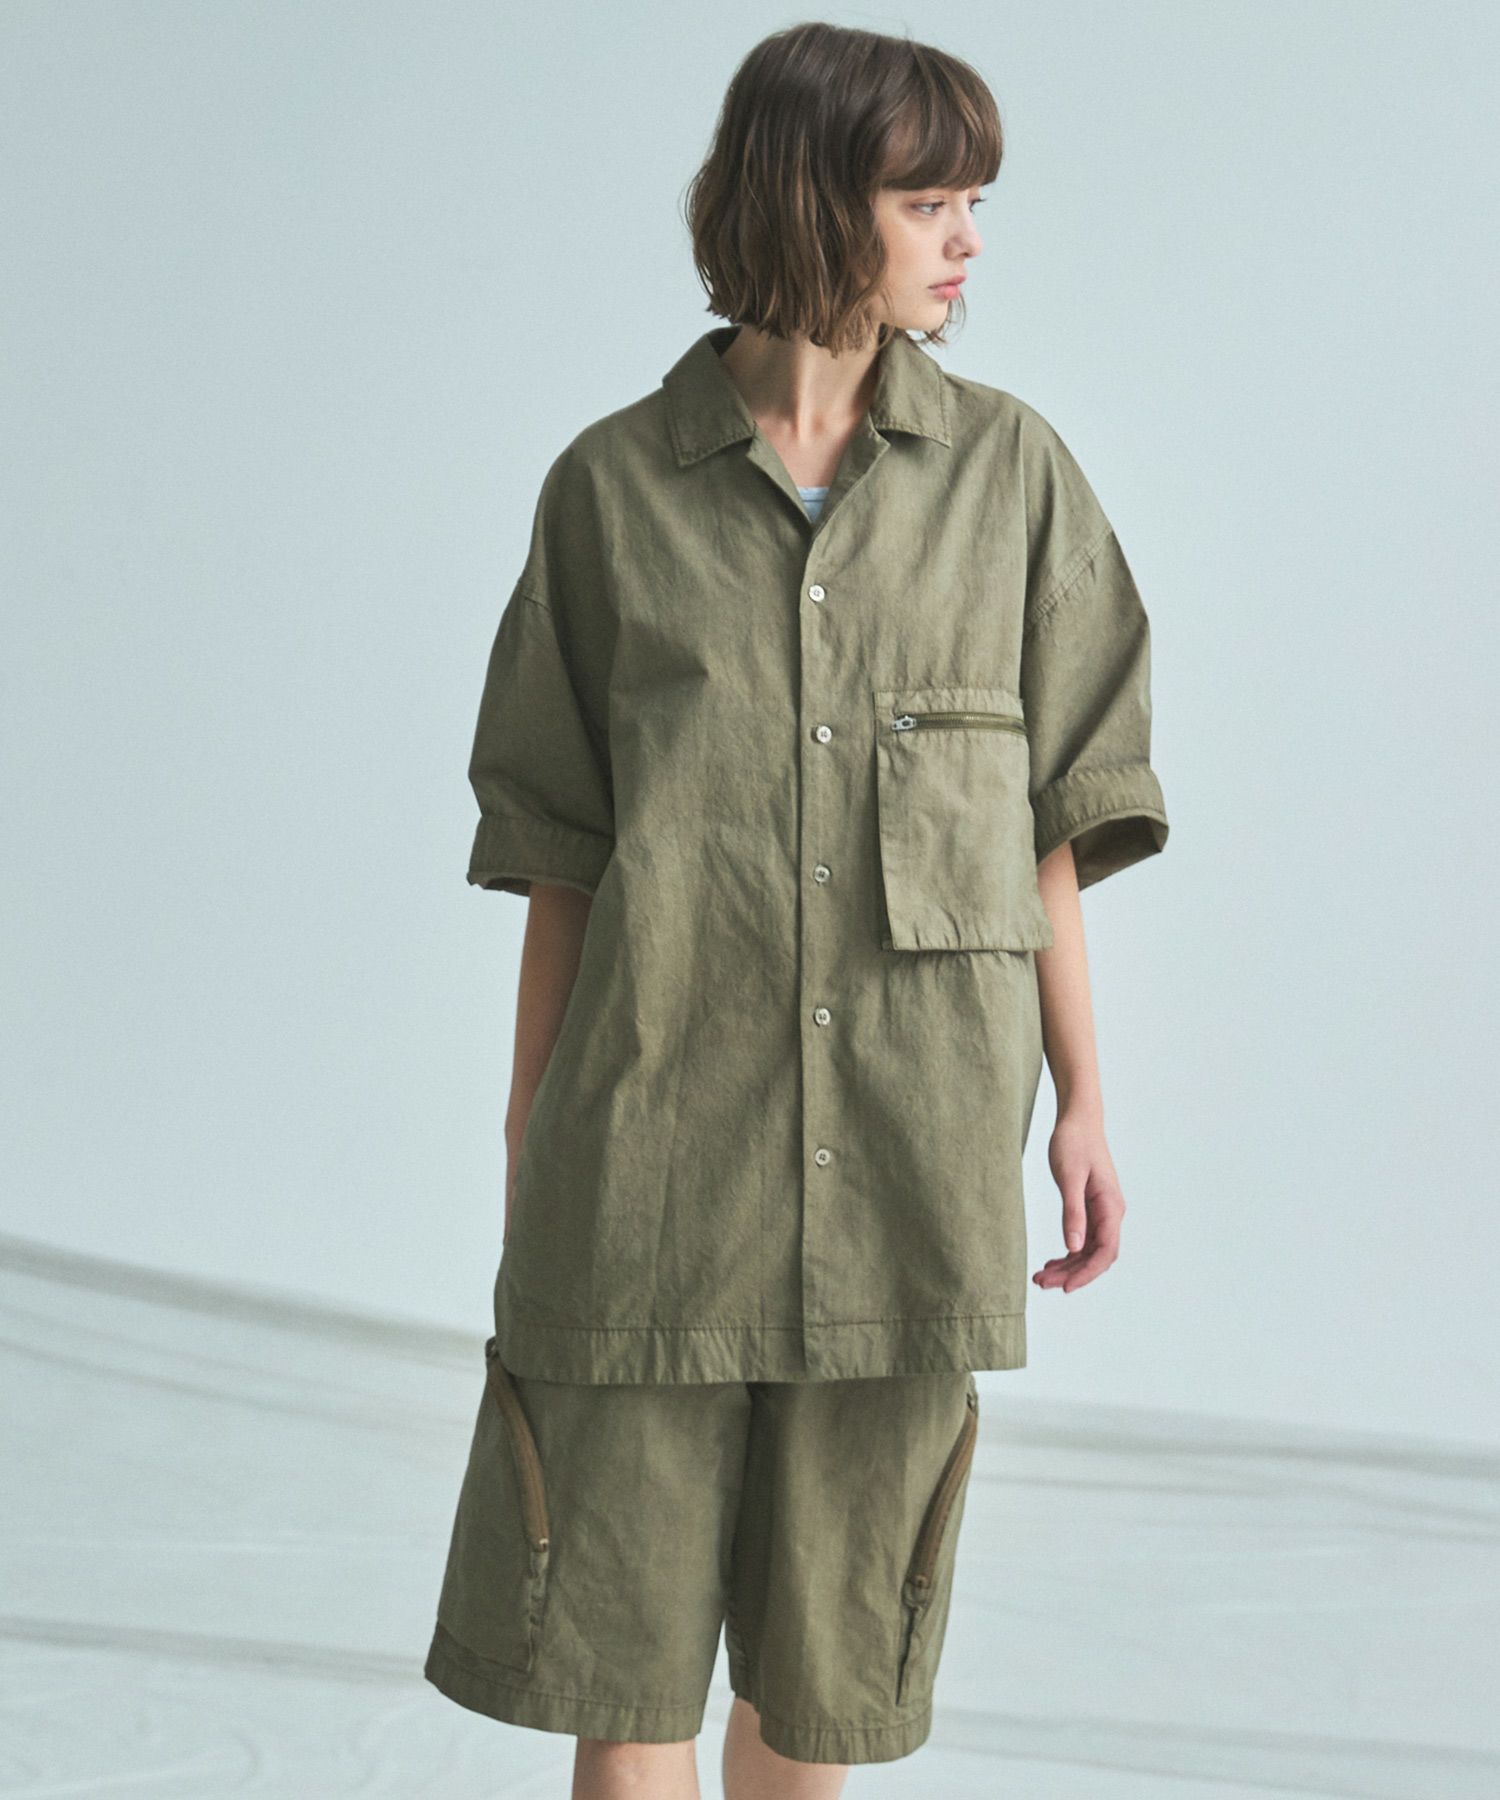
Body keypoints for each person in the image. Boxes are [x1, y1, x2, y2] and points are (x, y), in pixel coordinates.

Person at [424, 20, 1170, 1799]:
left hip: (910, 1176)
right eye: (930, 202)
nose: (967, 240)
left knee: (823, 1697)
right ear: (815, 202)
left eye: (972, 201)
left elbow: (1049, 829)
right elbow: (563, 857)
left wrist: (1085, 1102)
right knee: (624, 1686)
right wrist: (533, 1138)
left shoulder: (1014, 482)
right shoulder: (612, 492)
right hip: (649, 1173)